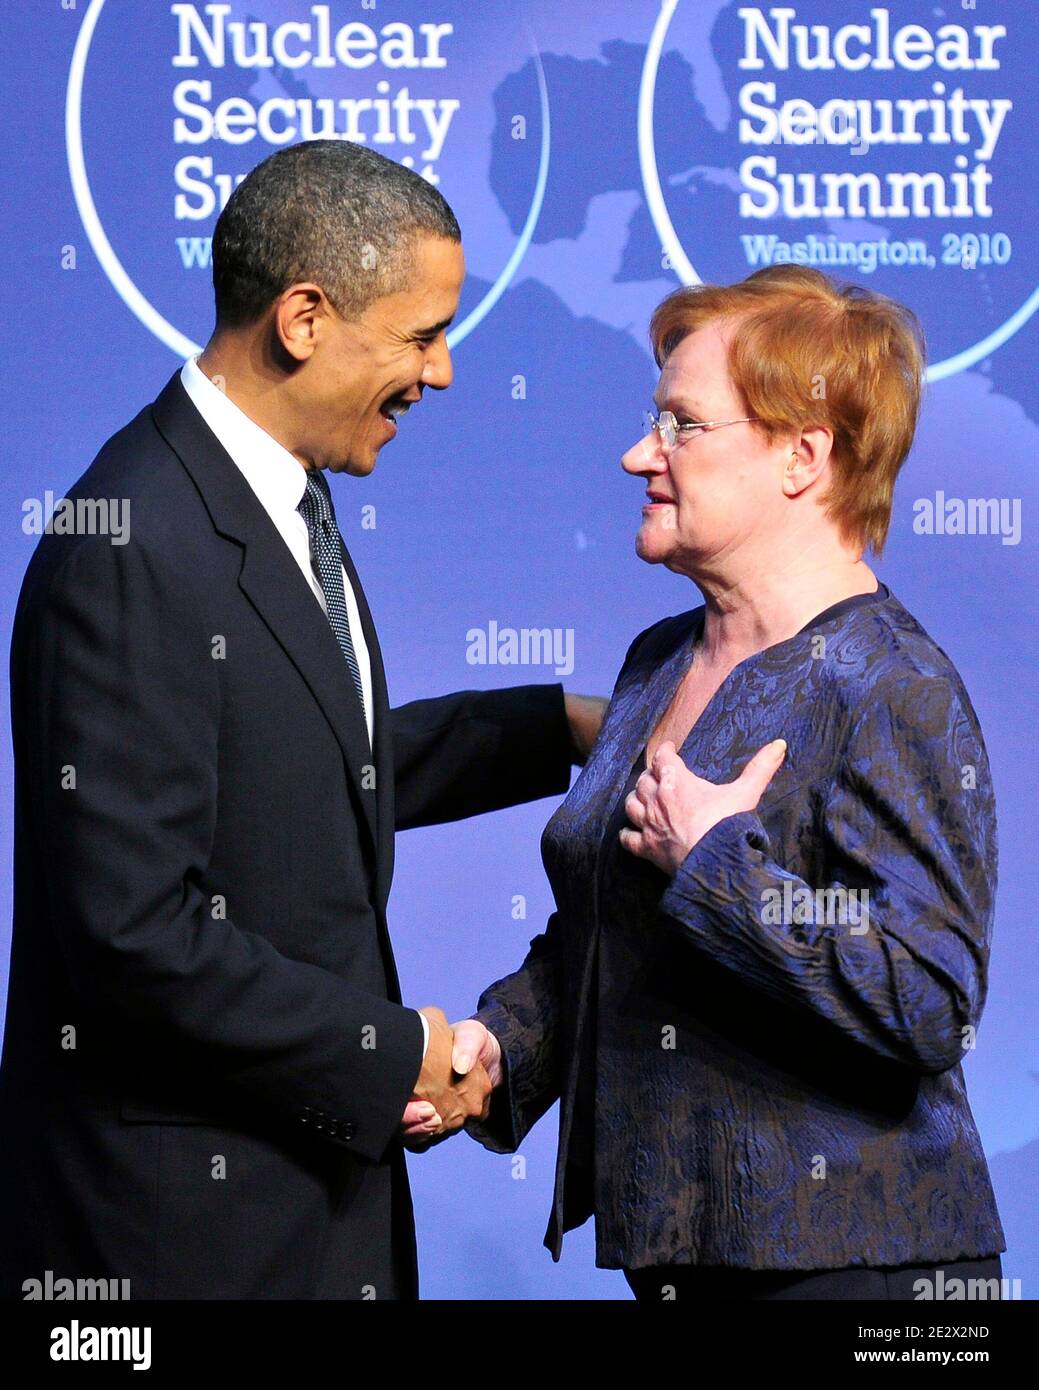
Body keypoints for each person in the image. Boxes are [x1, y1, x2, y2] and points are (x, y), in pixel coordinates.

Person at [0, 139, 605, 1301]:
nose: (442, 372)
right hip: (184, 1247)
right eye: (422, 333)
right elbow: (134, 936)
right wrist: (395, 1052)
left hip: (297, 1217)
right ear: (305, 317)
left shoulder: (273, 493)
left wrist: (563, 726)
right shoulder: (133, 542)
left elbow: (322, 762)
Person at [440, 266, 1006, 1300]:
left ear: (803, 455)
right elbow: (606, 936)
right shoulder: (659, 659)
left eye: (680, 425)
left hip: (859, 1274)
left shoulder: (893, 685)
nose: (635, 454)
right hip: (685, 1263)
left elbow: (930, 1003)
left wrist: (718, 863)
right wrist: (492, 1052)